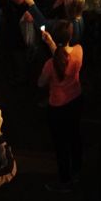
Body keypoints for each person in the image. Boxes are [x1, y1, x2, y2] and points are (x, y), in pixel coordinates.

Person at [37, 19, 83, 190]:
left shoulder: (50, 65)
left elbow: (41, 83)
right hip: (76, 99)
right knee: (75, 136)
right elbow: (64, 57)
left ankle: (65, 180)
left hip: (57, 106)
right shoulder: (79, 51)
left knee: (60, 144)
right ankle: (77, 168)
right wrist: (51, 43)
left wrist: (50, 44)